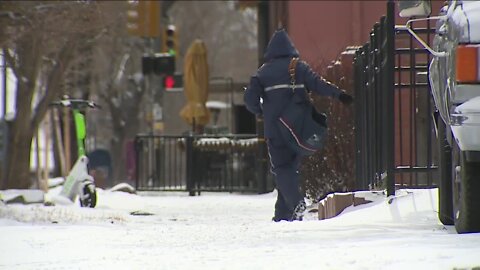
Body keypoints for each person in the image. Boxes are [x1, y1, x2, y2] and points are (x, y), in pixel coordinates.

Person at [244, 29, 353, 222]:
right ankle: (282, 214)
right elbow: (319, 84)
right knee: (290, 169)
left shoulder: (263, 73)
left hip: (274, 130)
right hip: (297, 129)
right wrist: (339, 95)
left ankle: (296, 204)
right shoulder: (298, 68)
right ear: (290, 48)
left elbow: (250, 99)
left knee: (282, 168)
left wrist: (261, 111)